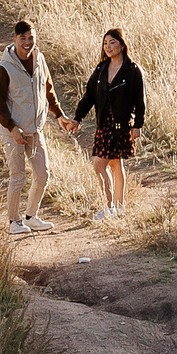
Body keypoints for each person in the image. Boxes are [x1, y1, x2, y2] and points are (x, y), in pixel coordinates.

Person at [0, 20, 66, 236]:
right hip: (13, 131)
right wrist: (12, 128)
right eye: (22, 38)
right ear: (14, 39)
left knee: (43, 174)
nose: (27, 42)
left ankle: (31, 217)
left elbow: (48, 90)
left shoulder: (40, 59)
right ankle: (14, 222)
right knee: (17, 177)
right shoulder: (4, 68)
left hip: (35, 129)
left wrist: (59, 115)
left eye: (31, 37)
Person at [63, 26, 146, 219]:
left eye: (112, 42)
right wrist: (77, 118)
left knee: (98, 165)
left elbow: (140, 101)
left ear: (122, 45)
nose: (108, 47)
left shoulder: (132, 70)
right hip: (103, 124)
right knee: (115, 164)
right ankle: (119, 207)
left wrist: (137, 125)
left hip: (120, 125)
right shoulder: (101, 69)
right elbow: (89, 97)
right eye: (105, 43)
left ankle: (108, 207)